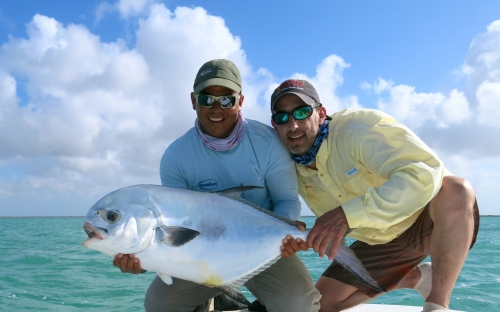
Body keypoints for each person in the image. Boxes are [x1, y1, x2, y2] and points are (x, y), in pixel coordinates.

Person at [113, 61, 321, 312]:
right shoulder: (176, 156)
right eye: (206, 98)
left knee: (299, 305)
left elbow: (286, 201)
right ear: (193, 100)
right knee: (159, 304)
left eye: (226, 100)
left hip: (263, 250)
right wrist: (144, 257)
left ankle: (249, 301)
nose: (216, 108)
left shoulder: (268, 142)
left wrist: (282, 236)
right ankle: (213, 295)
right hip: (199, 255)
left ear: (240, 102)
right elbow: (174, 229)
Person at [270, 79, 479, 312]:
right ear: (274, 124)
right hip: (380, 240)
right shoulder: (281, 165)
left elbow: (423, 172)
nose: (293, 125)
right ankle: (417, 278)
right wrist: (295, 239)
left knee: (456, 190)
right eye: (282, 117)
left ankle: (438, 303)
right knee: (322, 305)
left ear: (320, 113)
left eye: (301, 113)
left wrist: (345, 215)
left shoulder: (359, 129)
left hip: (428, 221)